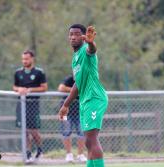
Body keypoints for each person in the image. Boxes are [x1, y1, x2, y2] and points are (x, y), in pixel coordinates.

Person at [59, 24, 108, 167]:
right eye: (71, 34)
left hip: (95, 98)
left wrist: (91, 42)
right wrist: (65, 105)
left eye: (77, 34)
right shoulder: (75, 58)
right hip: (85, 101)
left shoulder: (85, 51)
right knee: (88, 141)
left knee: (92, 140)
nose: (73, 37)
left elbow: (92, 50)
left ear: (83, 36)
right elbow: (77, 84)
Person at [13, 50, 48, 163]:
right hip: (21, 104)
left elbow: (44, 88)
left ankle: (39, 149)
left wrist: (30, 90)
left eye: (27, 59)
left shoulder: (39, 72)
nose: (24, 61)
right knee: (24, 130)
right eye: (23, 59)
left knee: (33, 130)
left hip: (33, 105)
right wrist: (19, 89)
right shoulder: (18, 72)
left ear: (32, 59)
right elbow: (14, 86)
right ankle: (27, 153)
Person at [58, 75, 87, 163]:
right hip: (65, 111)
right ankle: (69, 155)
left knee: (82, 133)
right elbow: (61, 88)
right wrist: (75, 91)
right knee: (66, 132)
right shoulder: (68, 79)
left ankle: (80, 155)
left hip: (80, 112)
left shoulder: (85, 79)